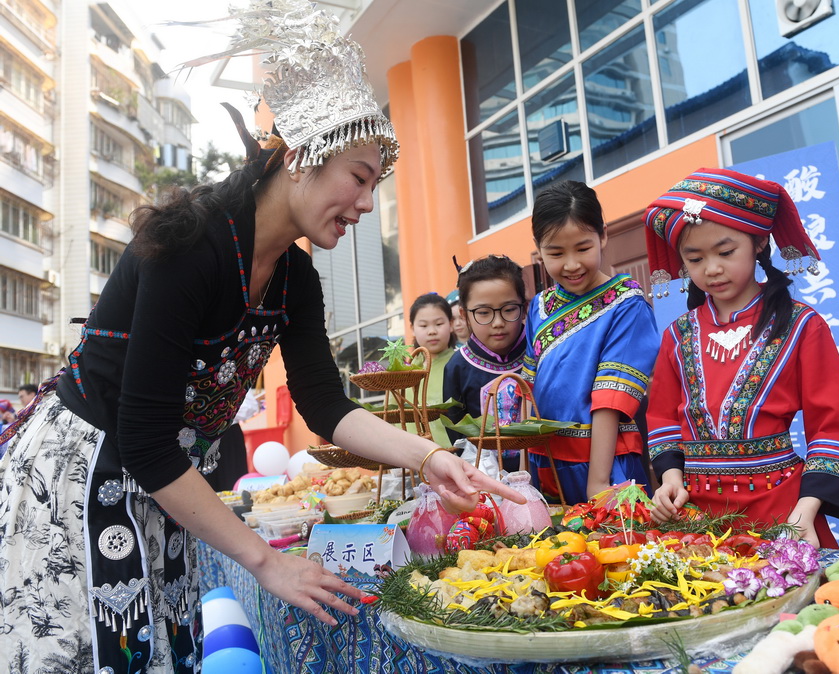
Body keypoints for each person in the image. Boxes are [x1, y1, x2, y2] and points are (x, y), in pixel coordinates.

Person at [0, 3, 521, 671]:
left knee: (161, 654)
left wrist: (428, 458)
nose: (366, 204)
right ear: (301, 157)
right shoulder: (192, 243)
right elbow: (146, 438)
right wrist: (266, 563)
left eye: (375, 186)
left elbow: (326, 408)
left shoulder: (295, 280)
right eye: (359, 179)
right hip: (81, 476)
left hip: (164, 484)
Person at [644, 168, 839, 548]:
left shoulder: (801, 324)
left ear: (760, 243)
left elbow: (835, 425)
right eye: (695, 259)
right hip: (693, 518)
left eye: (725, 252)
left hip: (780, 512)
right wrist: (669, 478)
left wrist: (806, 510)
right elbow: (663, 417)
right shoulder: (678, 336)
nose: (712, 269)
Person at [522, 180, 659, 505]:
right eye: (555, 253)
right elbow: (529, 386)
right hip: (547, 463)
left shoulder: (627, 304)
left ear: (603, 236)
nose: (571, 264)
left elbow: (612, 397)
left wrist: (597, 482)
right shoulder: (538, 306)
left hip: (605, 463)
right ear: (538, 249)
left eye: (583, 248)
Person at [442, 255, 529, 471]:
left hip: (545, 475)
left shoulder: (539, 353)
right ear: (464, 315)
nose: (498, 323)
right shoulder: (457, 367)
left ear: (524, 307)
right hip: (485, 482)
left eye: (509, 309)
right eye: (483, 313)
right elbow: (457, 434)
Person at [407, 292, 456, 447]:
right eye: (423, 325)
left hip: (454, 458)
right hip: (409, 463)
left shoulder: (461, 365)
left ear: (451, 324)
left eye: (439, 324)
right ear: (412, 329)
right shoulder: (402, 372)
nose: (432, 331)